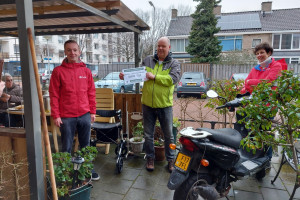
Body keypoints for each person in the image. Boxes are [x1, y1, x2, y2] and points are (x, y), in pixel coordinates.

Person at [120, 37, 181, 172]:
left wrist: (155, 77)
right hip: (147, 104)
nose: (160, 48)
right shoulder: (148, 60)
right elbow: (138, 75)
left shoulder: (174, 63)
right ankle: (150, 158)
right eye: (158, 46)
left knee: (169, 135)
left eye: (163, 46)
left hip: (164, 105)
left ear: (169, 48)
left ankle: (171, 160)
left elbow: (173, 79)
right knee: (148, 134)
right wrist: (125, 76)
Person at [49, 40, 99, 180]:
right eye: (69, 50)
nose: (72, 53)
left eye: (75, 50)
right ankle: (65, 173)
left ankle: (87, 169)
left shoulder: (86, 71)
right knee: (66, 146)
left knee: (85, 145)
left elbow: (91, 92)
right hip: (66, 116)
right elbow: (54, 94)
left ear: (79, 52)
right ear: (65, 52)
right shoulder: (58, 71)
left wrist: (93, 111)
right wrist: (56, 115)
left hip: (84, 114)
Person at [241, 42, 282, 168]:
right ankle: (255, 158)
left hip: (268, 106)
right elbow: (246, 85)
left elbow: (269, 82)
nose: (259, 55)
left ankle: (267, 160)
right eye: (257, 53)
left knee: (265, 133)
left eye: (262, 53)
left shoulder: (276, 65)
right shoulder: (256, 68)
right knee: (253, 133)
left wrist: (250, 82)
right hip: (255, 106)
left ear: (269, 53)